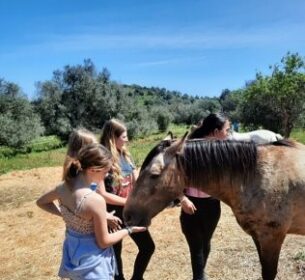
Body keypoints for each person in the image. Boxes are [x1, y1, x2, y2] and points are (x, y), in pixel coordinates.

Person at [36, 143, 146, 280]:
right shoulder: (95, 200)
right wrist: (129, 230)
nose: (107, 176)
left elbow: (41, 202)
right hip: (93, 264)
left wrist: (67, 216)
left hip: (73, 253)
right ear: (93, 169)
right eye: (106, 172)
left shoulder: (63, 187)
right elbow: (104, 242)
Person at [100, 119, 155, 280]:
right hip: (112, 213)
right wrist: (128, 202)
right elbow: (102, 194)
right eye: (124, 136)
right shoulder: (101, 158)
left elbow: (136, 180)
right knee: (115, 252)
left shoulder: (125, 154)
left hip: (131, 211)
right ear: (113, 138)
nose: (127, 139)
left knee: (147, 247)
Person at [179, 113, 231, 280]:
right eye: (227, 130)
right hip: (191, 205)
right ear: (216, 131)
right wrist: (182, 199)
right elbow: (173, 179)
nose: (229, 134)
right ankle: (199, 277)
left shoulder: (222, 151)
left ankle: (200, 274)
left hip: (212, 205)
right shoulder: (188, 150)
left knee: (206, 243)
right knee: (196, 248)